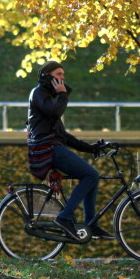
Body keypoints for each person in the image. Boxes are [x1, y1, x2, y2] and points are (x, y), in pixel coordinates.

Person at [27, 60, 113, 240]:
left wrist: (92, 148)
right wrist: (63, 95)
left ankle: (91, 224)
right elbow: (55, 112)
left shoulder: (49, 98)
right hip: (48, 149)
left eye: (63, 76)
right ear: (47, 76)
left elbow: (64, 136)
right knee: (90, 175)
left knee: (91, 177)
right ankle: (65, 218)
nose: (62, 78)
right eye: (59, 75)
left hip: (53, 146)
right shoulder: (38, 93)